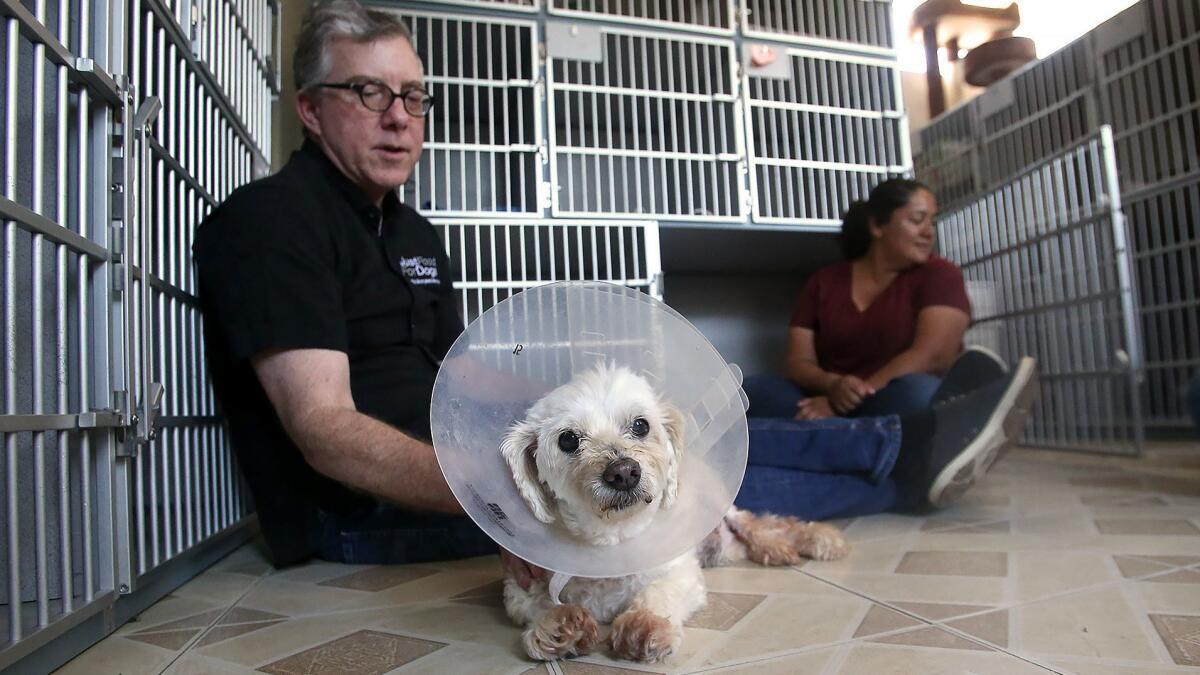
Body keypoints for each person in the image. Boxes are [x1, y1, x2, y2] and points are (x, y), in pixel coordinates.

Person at [193, 0, 1034, 577]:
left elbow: (456, 372)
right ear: (308, 108)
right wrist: (510, 500)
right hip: (367, 513)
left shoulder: (408, 230)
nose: (399, 116)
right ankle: (912, 450)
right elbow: (328, 434)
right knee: (671, 490)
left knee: (674, 449)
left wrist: (573, 411)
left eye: (414, 94)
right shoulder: (272, 224)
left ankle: (906, 446)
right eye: (368, 92)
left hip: (469, 459)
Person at [744, 179, 972, 421]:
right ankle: (852, 440)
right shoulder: (823, 282)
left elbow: (932, 355)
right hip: (825, 401)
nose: (928, 232)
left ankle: (823, 441)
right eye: (917, 220)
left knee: (920, 394)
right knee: (754, 392)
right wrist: (833, 385)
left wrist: (847, 401)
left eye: (932, 223)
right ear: (877, 225)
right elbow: (799, 361)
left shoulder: (941, 275)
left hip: (888, 401)